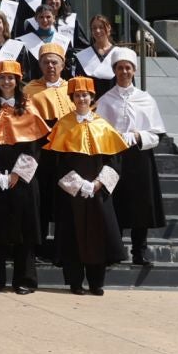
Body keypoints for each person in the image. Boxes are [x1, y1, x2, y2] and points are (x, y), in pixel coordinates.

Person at [45, 77, 128, 296]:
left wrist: (98, 183)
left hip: (98, 192)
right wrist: (78, 183)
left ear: (92, 98)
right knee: (72, 235)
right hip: (72, 192)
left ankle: (96, 282)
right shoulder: (63, 125)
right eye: (77, 95)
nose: (82, 99)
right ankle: (75, 281)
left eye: (85, 95)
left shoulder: (103, 126)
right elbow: (57, 162)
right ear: (71, 98)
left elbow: (114, 161)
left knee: (98, 235)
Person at [0, 61, 50, 295]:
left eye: (11, 78)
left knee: (25, 230)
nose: (6, 82)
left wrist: (18, 173)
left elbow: (35, 147)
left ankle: (25, 279)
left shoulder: (29, 106)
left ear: (18, 81)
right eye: (2, 78)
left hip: (23, 178)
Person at [95, 49, 167, 267]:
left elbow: (157, 132)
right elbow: (98, 129)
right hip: (114, 155)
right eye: (120, 68)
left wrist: (137, 135)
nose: (124, 71)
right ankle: (114, 249)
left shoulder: (145, 99)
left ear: (134, 70)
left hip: (139, 156)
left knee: (141, 203)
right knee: (115, 202)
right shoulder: (106, 99)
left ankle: (139, 251)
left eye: (128, 68)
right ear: (114, 71)